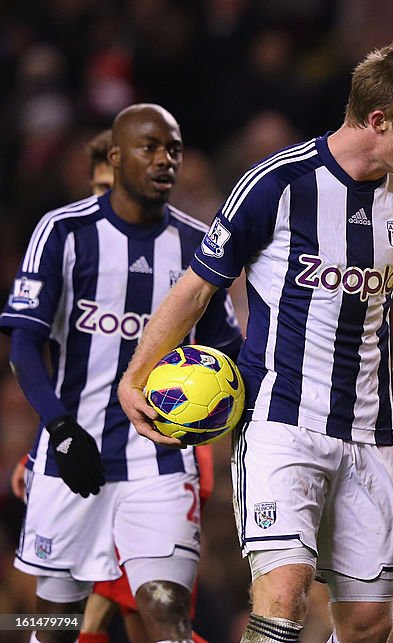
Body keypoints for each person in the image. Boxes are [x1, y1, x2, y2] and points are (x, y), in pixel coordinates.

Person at [118, 44, 393, 643]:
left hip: (371, 432)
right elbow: (197, 289)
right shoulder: (277, 183)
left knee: (369, 622)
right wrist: (135, 374)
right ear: (378, 122)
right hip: (281, 423)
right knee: (283, 592)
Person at [1, 103, 242, 643]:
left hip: (160, 461)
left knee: (163, 610)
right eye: (150, 148)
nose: (165, 160)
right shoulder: (63, 232)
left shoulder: (196, 245)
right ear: (116, 157)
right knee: (57, 623)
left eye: (174, 150)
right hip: (71, 458)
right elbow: (24, 342)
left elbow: (227, 347)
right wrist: (59, 431)